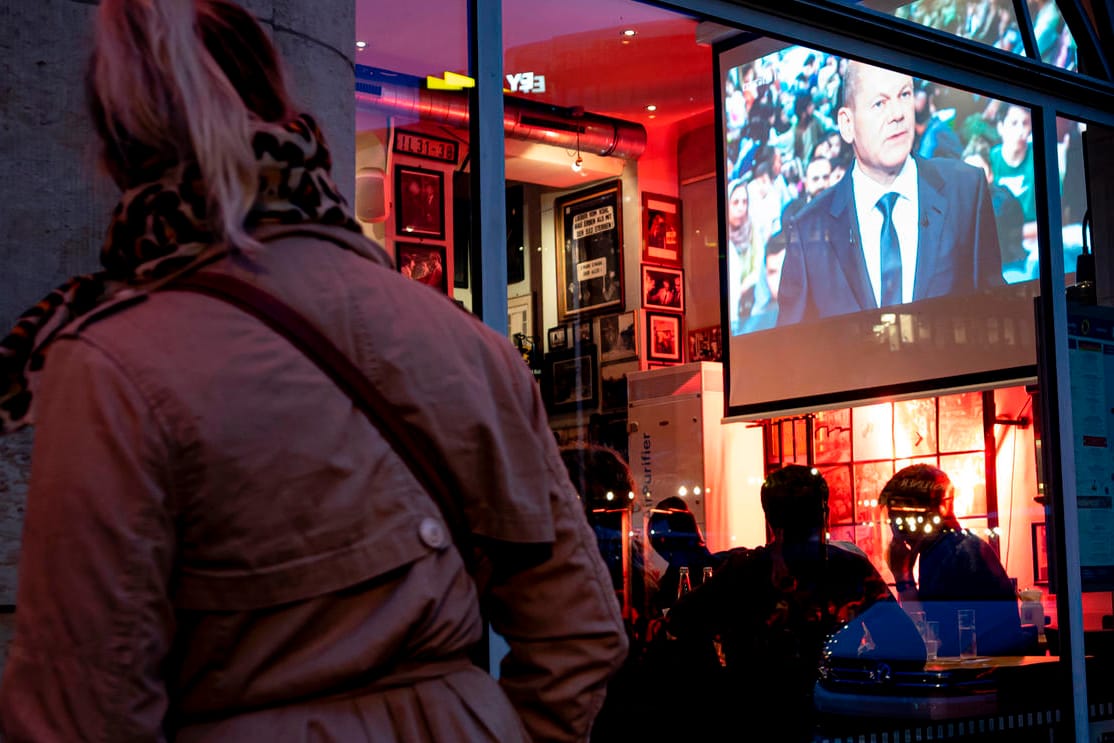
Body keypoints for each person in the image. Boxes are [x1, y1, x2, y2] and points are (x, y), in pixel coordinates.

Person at [0, 1, 627, 740]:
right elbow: (581, 634)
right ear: (288, 110)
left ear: (114, 150)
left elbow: (78, 713)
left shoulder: (107, 364)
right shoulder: (468, 345)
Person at [657, 466, 923, 741]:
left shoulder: (744, 572)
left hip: (763, 725)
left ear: (770, 521)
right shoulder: (847, 569)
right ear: (825, 516)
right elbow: (909, 649)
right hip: (829, 723)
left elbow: (678, 623)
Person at [777, 60, 1002, 325]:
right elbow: (792, 355)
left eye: (904, 95)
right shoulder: (808, 230)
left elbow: (996, 316)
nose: (897, 114)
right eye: (879, 103)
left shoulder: (966, 190)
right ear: (847, 124)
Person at [879, 464, 1028, 657]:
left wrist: (903, 578)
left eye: (897, 517)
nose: (895, 529)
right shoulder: (952, 547)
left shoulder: (949, 554)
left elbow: (930, 639)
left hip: (980, 678)